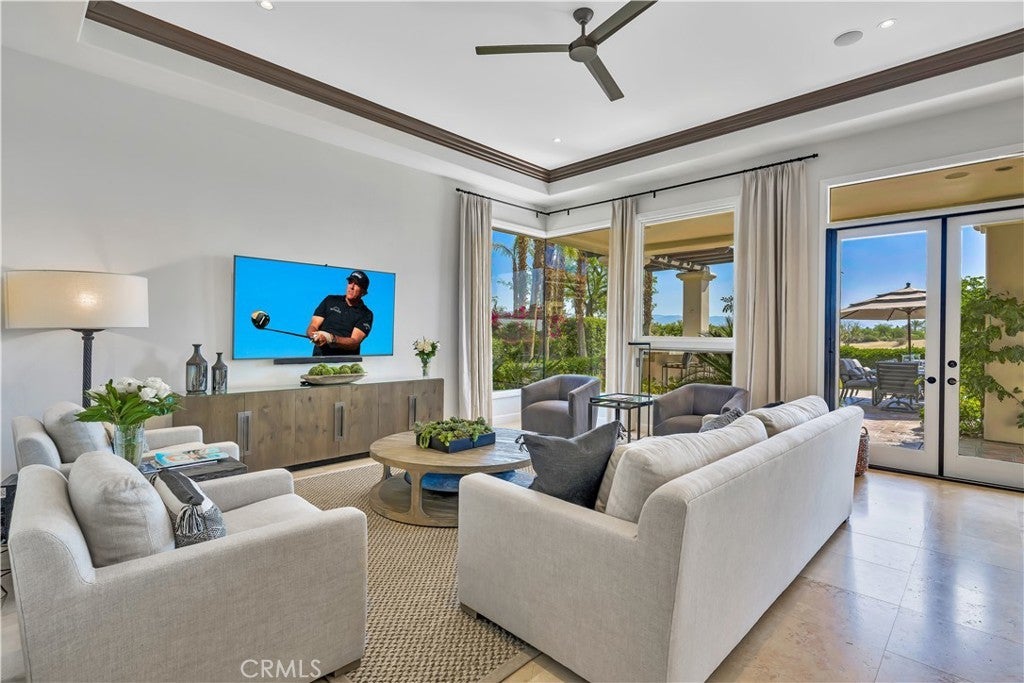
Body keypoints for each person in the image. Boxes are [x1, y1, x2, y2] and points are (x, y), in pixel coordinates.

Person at [307, 270, 373, 356]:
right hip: (319, 359)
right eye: (350, 282)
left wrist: (330, 338)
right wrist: (314, 336)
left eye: (356, 284)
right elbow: (313, 326)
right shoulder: (330, 300)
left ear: (363, 292)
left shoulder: (366, 314)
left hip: (345, 362)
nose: (351, 287)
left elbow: (354, 342)